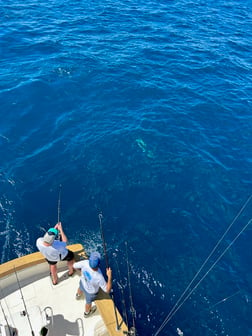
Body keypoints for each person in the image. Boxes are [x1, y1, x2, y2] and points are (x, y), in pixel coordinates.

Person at [73, 252, 112, 318]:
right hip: (90, 292)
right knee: (88, 302)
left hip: (82, 283)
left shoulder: (85, 262)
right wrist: (109, 276)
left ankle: (78, 296)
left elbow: (74, 266)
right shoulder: (99, 276)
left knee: (80, 288)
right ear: (99, 264)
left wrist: (81, 272)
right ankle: (87, 313)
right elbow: (107, 290)